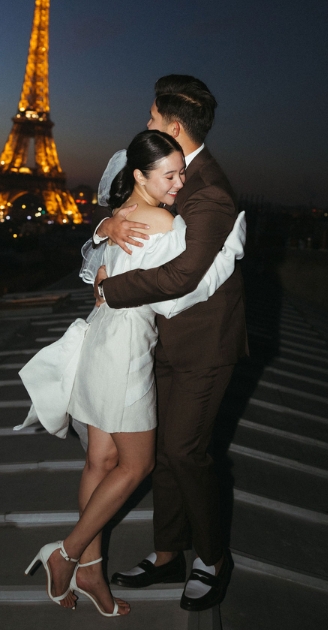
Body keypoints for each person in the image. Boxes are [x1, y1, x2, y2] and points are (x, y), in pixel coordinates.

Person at [19, 129, 245, 616]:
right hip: (125, 350)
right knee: (137, 464)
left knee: (99, 461)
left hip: (100, 339)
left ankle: (92, 572)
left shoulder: (123, 214)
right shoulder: (164, 222)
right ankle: (66, 553)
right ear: (140, 175)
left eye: (183, 172)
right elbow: (183, 288)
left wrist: (104, 231)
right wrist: (231, 247)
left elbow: (90, 273)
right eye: (170, 174)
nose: (180, 183)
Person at [93, 75, 247, 611]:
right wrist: (112, 224)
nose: (148, 124)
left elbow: (183, 274)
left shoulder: (209, 191)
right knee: (163, 452)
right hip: (160, 340)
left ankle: (213, 557)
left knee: (186, 450)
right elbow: (127, 210)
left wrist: (112, 289)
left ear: (175, 126)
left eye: (154, 118)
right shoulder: (170, 169)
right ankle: (167, 555)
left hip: (204, 346)